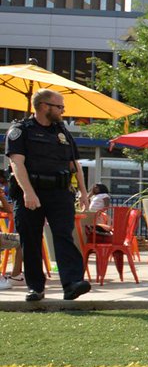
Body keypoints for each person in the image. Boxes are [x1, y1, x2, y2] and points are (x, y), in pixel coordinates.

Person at [4, 89, 91, 302]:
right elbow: (16, 163)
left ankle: (72, 284)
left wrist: (83, 192)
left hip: (60, 193)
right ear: (44, 106)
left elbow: (74, 164)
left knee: (63, 235)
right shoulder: (20, 130)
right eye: (59, 106)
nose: (63, 111)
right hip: (31, 193)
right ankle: (35, 287)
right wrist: (28, 193)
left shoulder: (61, 131)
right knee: (31, 240)